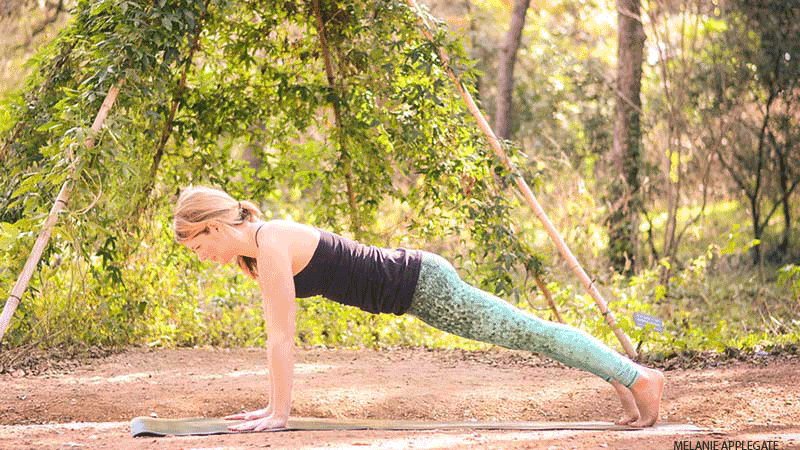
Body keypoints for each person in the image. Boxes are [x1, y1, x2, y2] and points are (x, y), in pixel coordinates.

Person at [173, 185, 664, 432]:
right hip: (415, 289)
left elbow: (281, 337)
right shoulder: (260, 248)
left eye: (196, 247)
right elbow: (277, 334)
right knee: (524, 330)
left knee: (524, 331)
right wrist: (273, 408)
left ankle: (639, 377)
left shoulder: (271, 242)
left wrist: (279, 414)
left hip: (422, 284)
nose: (202, 258)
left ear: (211, 228)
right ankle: (621, 378)